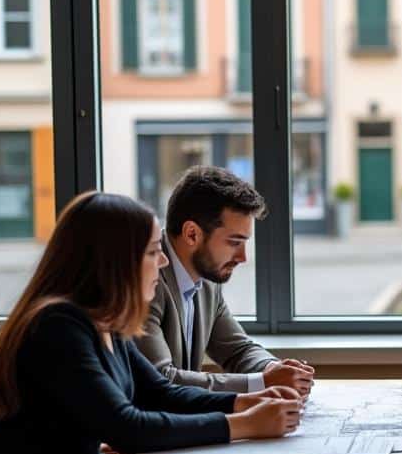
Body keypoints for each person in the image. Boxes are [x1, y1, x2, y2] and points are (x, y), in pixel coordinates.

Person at [0, 192, 304, 454]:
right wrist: (242, 425)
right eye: (154, 251)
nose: (166, 262)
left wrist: (244, 403)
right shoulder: (58, 327)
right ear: (116, 261)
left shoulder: (103, 321)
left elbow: (159, 393)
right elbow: (128, 428)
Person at [135, 166, 314, 396]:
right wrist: (262, 382)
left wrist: (275, 369)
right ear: (192, 234)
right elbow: (161, 379)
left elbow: (237, 350)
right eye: (234, 242)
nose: (243, 257)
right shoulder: (146, 280)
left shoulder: (207, 278)